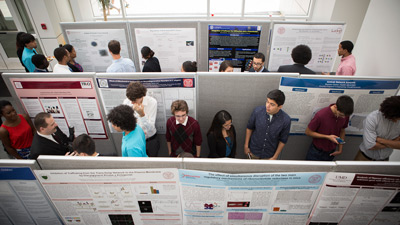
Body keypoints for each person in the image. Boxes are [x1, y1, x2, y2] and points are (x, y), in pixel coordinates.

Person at [244, 90, 291, 159]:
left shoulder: (286, 120)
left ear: (280, 106)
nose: (267, 106)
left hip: (269, 155)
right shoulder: (257, 111)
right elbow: (249, 127)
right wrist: (246, 145)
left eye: (272, 104)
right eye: (267, 102)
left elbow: (283, 140)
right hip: (253, 151)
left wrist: (275, 156)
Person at [305, 95, 354, 161]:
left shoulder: (345, 115)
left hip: (331, 152)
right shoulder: (321, 115)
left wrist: (340, 149)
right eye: (341, 115)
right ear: (335, 107)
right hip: (316, 151)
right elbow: (308, 132)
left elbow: (342, 130)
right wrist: (327, 137)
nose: (343, 118)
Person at [355, 96, 400, 161]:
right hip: (365, 158)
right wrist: (393, 142)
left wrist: (380, 140)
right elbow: (370, 145)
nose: (397, 121)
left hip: (385, 159)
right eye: (396, 118)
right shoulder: (373, 118)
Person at [123, 81, 159, 157]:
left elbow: (150, 128)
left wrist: (142, 114)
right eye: (130, 100)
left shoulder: (152, 102)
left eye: (134, 100)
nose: (132, 103)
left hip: (149, 139)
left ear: (142, 96)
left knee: (152, 163)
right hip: (134, 139)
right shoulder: (126, 102)